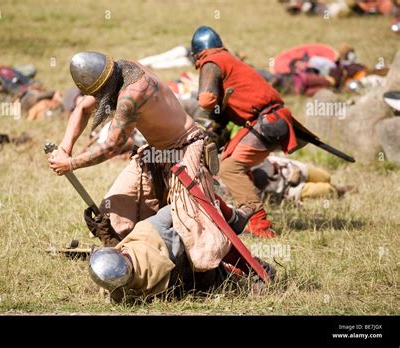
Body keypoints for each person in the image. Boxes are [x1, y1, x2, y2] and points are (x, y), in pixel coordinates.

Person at [48, 51, 247, 272]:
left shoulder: (133, 92)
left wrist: (71, 164)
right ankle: (130, 264)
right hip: (154, 153)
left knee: (197, 230)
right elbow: (83, 108)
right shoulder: (118, 73)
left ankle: (238, 254)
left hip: (185, 149)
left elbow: (112, 146)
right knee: (114, 212)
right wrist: (65, 149)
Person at [190, 26, 304, 238]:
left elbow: (207, 99)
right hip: (269, 119)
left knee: (229, 169)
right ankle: (247, 208)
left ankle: (258, 224)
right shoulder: (228, 58)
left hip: (266, 121)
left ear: (197, 53)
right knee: (232, 161)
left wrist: (210, 111)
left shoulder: (211, 61)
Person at [88, 205, 276, 303]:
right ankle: (252, 265)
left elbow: (122, 263)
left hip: (186, 262)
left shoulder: (123, 294)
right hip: (191, 268)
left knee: (203, 230)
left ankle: (253, 263)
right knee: (207, 243)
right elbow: (121, 255)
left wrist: (106, 235)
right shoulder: (145, 236)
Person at [251, 156, 357, 203]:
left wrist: (294, 170)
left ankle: (337, 187)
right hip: (289, 190)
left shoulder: (253, 158)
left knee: (326, 177)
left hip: (294, 169)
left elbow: (274, 159)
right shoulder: (245, 184)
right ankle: (340, 191)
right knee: (327, 189)